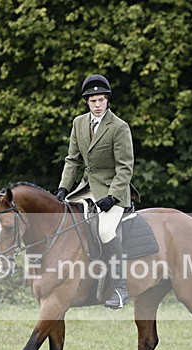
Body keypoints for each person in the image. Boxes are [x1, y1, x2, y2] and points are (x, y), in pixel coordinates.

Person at [54, 74, 136, 309]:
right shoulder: (79, 123)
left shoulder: (119, 127)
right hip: (86, 188)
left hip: (113, 191)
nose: (98, 105)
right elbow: (73, 160)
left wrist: (113, 196)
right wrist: (63, 188)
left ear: (107, 100)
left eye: (101, 100)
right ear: (87, 102)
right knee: (63, 219)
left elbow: (125, 167)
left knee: (106, 230)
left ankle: (120, 290)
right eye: (93, 101)